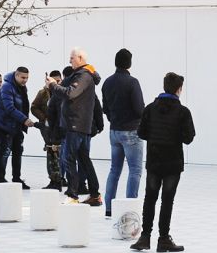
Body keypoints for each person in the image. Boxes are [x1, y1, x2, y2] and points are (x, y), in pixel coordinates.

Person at [130, 72, 195, 253]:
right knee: (167, 200)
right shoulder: (183, 112)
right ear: (179, 89)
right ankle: (164, 239)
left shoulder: (150, 109)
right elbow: (189, 138)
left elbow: (141, 132)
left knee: (150, 198)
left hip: (154, 161)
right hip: (173, 163)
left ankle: (145, 237)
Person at [101, 48, 146, 218]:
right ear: (129, 63)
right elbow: (139, 108)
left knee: (114, 170)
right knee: (135, 170)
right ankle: (129, 208)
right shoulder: (132, 82)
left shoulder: (107, 82)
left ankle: (109, 208)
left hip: (114, 131)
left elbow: (105, 108)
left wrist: (113, 118)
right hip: (131, 131)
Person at [60, 53, 103, 205]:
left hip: (76, 124)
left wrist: (53, 86)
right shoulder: (84, 75)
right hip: (81, 125)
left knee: (69, 158)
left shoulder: (83, 75)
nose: (69, 60)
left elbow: (70, 93)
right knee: (84, 160)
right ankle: (95, 194)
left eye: (71, 58)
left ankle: (73, 195)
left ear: (80, 58)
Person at [0, 67, 34, 189]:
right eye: (23, 77)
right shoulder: (7, 87)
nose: (25, 80)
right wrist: (24, 119)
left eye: (27, 78)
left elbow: (23, 106)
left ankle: (16, 178)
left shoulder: (21, 87)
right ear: (16, 75)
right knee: (4, 152)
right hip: (3, 125)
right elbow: (9, 108)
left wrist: (23, 121)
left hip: (16, 125)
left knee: (18, 152)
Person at [31, 71, 65, 190]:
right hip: (48, 128)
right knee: (51, 152)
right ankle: (54, 179)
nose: (55, 83)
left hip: (61, 127)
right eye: (52, 81)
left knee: (62, 154)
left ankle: (61, 178)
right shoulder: (42, 93)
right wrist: (44, 118)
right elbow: (34, 107)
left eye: (58, 81)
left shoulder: (64, 92)